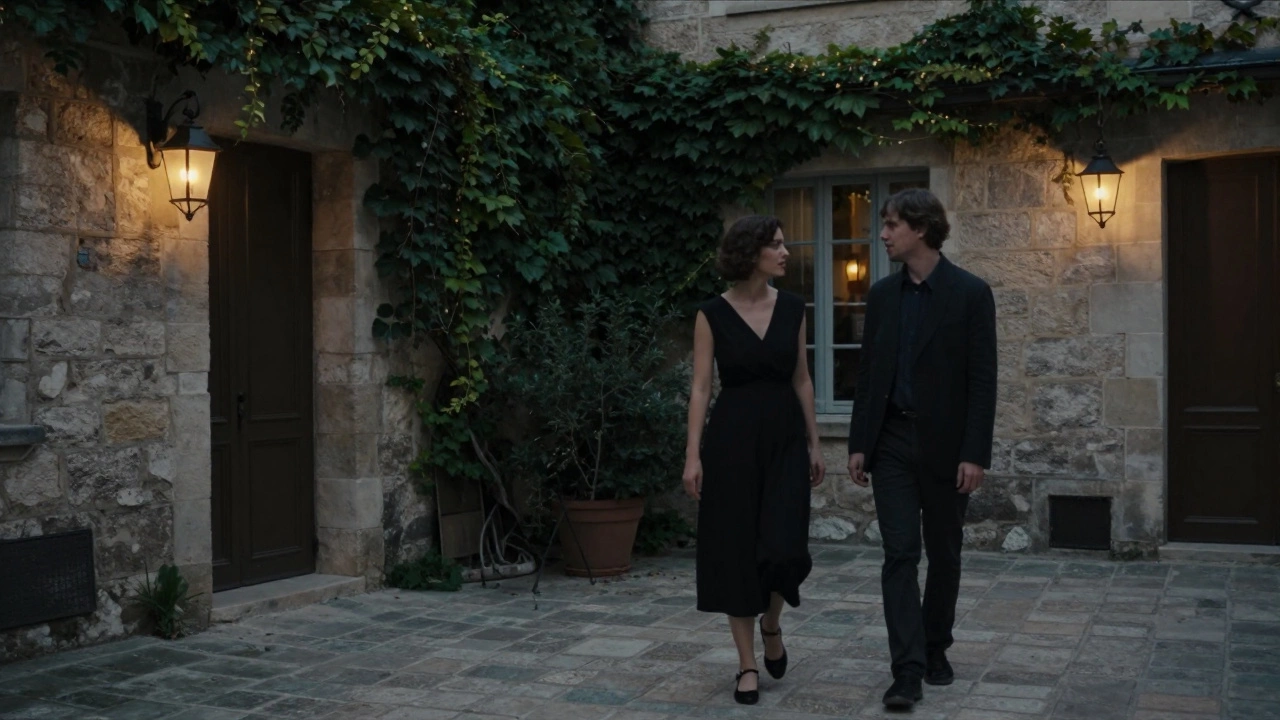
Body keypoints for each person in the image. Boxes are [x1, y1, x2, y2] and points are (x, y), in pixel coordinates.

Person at [846, 188, 997, 710]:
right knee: (900, 554)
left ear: (921, 228)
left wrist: (974, 453)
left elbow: (983, 382)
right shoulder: (883, 296)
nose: (883, 234)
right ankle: (906, 669)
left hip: (948, 446)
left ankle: (937, 647)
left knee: (945, 553)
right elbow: (869, 375)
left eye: (890, 225)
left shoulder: (971, 294)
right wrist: (859, 442)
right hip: (890, 442)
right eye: (883, 225)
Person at [683, 214, 825, 705]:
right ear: (751, 253)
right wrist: (692, 456)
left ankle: (772, 624)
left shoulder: (792, 307)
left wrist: (814, 441)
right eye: (777, 246)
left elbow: (802, 379)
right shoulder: (711, 314)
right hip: (731, 443)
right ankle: (746, 664)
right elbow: (701, 387)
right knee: (736, 552)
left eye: (785, 245)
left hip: (785, 439)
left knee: (786, 548)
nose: (786, 253)